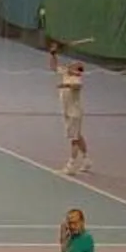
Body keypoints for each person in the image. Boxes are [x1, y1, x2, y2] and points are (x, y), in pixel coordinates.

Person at [51, 42, 91, 175]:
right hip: (67, 112)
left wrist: (65, 85)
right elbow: (53, 66)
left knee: (73, 139)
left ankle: (70, 166)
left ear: (78, 70)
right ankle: (86, 161)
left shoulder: (76, 79)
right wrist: (53, 54)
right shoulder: (66, 73)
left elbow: (76, 87)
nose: (71, 64)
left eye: (75, 65)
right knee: (78, 136)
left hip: (74, 113)